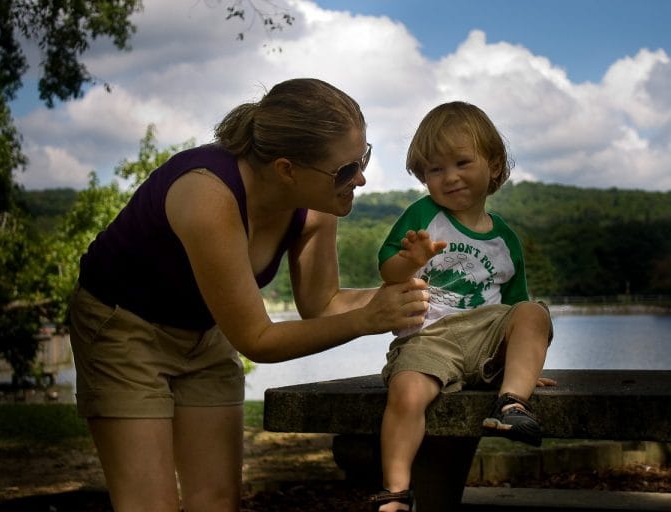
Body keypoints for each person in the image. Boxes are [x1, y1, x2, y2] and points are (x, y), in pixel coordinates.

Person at [67, 78, 429, 512]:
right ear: (286, 169)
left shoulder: (318, 205)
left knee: (217, 501)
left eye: (362, 158)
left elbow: (323, 304)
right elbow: (256, 340)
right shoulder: (206, 195)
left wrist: (409, 295)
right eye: (346, 170)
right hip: (122, 328)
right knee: (149, 504)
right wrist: (366, 320)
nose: (362, 178)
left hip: (206, 328)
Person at [370, 101, 555, 512]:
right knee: (407, 392)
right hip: (430, 336)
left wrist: (522, 362)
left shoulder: (504, 238)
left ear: (493, 165)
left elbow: (515, 307)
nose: (450, 177)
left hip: (487, 338)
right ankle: (396, 491)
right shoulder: (424, 216)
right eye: (435, 170)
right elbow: (388, 271)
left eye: (461, 162)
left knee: (534, 313)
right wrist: (411, 259)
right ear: (423, 177)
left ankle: (512, 401)